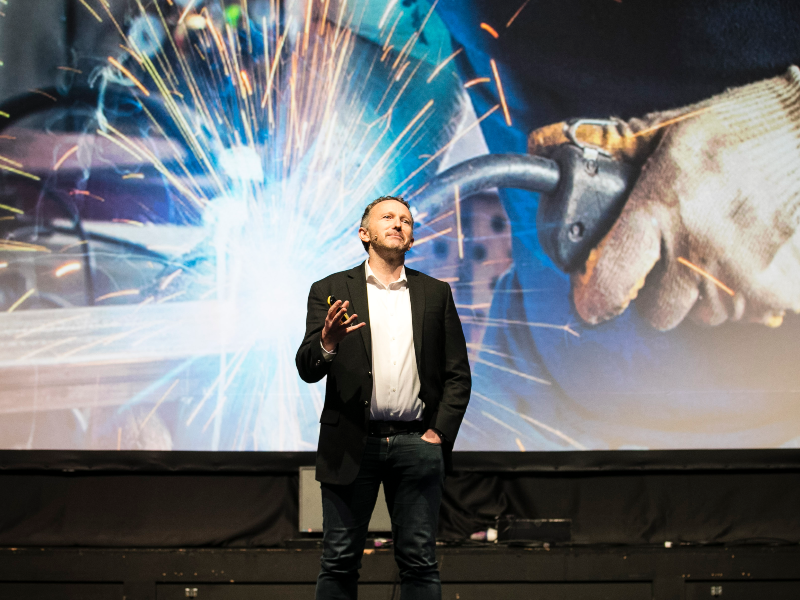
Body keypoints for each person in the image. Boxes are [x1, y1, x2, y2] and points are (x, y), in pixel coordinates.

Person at [295, 195, 472, 599]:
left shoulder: (436, 292)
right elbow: (307, 368)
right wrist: (327, 342)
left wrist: (438, 435)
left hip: (417, 444)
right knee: (339, 562)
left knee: (420, 564)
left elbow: (457, 375)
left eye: (406, 220)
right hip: (351, 441)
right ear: (364, 234)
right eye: (388, 217)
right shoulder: (329, 290)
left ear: (411, 238)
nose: (399, 223)